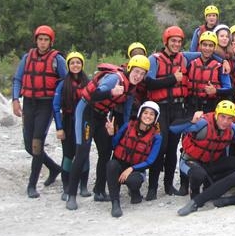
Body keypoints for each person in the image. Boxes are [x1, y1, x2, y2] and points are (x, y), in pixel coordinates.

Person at [65, 55, 150, 210]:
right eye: (136, 71)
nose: (138, 76)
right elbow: (95, 94)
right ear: (130, 69)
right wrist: (112, 92)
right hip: (86, 112)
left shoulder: (131, 88)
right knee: (82, 151)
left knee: (105, 152)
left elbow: (125, 112)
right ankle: (71, 194)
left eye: (142, 74)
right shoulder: (114, 79)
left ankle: (99, 190)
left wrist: (126, 131)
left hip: (101, 116)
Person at [12, 25, 67, 198]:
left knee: (37, 144)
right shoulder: (27, 58)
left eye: (46, 40)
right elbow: (18, 79)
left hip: (46, 105)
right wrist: (15, 100)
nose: (43, 43)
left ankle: (32, 185)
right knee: (29, 146)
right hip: (29, 103)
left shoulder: (57, 60)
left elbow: (66, 83)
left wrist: (63, 107)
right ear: (36, 40)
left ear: (51, 42)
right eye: (40, 39)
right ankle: (53, 167)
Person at [171, 100, 235, 199]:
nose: (225, 121)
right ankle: (195, 195)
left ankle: (213, 184)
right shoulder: (202, 123)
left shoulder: (232, 128)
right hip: (190, 161)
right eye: (222, 116)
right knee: (198, 174)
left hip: (211, 163)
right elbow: (173, 128)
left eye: (229, 118)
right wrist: (191, 121)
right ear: (216, 114)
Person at [144, 25, 190, 198]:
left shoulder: (183, 59)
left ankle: (168, 185)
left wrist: (223, 60)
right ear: (166, 42)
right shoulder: (154, 59)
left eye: (179, 41)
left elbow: (203, 54)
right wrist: (172, 79)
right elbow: (149, 83)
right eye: (173, 41)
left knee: (172, 148)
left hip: (178, 108)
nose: (177, 44)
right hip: (160, 108)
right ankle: (152, 187)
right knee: (160, 146)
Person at [105, 101, 162, 217]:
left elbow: (150, 161)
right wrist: (111, 134)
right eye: (145, 113)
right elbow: (114, 145)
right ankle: (115, 203)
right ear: (140, 114)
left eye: (152, 114)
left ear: (155, 118)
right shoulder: (127, 126)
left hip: (136, 169)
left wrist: (131, 168)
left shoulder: (157, 137)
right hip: (119, 164)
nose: (148, 116)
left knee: (134, 181)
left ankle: (135, 192)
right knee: (111, 165)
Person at [52, 52, 90, 201]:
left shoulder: (88, 82)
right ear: (68, 65)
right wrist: (59, 127)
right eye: (72, 63)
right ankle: (67, 187)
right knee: (68, 155)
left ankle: (83, 186)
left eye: (78, 62)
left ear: (82, 65)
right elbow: (55, 107)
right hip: (68, 121)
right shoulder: (62, 84)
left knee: (84, 154)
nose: (75, 65)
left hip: (84, 122)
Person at [185, 30, 232, 114]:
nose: (207, 48)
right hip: (191, 106)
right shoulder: (191, 63)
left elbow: (229, 89)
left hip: (211, 107)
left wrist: (216, 91)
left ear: (214, 48)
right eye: (205, 45)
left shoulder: (220, 67)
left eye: (210, 46)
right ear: (200, 46)